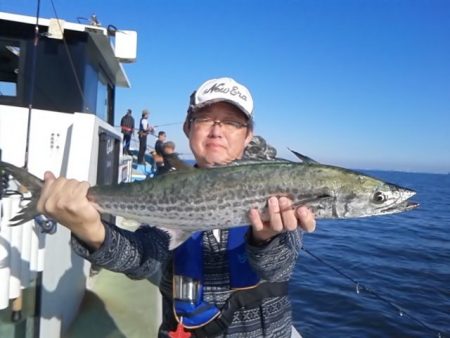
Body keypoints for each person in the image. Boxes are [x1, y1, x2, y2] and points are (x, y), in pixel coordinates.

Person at [36, 77, 316, 337]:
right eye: (205, 118)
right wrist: (91, 230)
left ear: (247, 136)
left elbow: (279, 268)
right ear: (188, 127)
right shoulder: (166, 188)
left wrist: (265, 239)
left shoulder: (274, 184)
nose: (217, 130)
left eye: (231, 122)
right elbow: (143, 258)